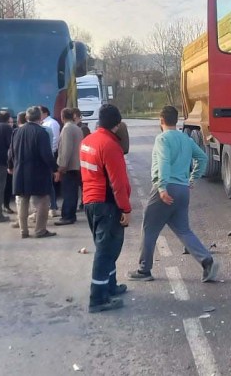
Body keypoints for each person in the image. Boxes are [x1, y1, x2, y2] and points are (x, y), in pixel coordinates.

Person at [129, 106, 219, 283]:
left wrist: (162, 187)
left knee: (149, 228)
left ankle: (144, 270)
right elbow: (202, 158)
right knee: (183, 230)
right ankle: (206, 260)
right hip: (183, 189)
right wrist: (193, 178)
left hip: (167, 188)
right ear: (176, 120)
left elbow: (163, 161)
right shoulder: (186, 139)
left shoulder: (162, 139)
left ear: (161, 120)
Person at [80, 104, 132, 313]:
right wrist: (126, 209)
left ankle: (110, 286)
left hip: (90, 201)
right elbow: (118, 182)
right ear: (117, 125)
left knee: (105, 249)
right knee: (106, 251)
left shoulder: (87, 141)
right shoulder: (110, 145)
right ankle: (98, 299)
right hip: (106, 204)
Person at [9, 106, 57, 239]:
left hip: (20, 171)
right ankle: (40, 230)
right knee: (43, 201)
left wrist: (10, 166)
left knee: (22, 201)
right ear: (40, 117)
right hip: (38, 172)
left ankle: (23, 230)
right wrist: (55, 168)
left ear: (26, 117)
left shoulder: (16, 132)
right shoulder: (41, 132)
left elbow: (11, 152)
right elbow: (46, 155)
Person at [55, 108, 83, 225]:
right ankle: (71, 214)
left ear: (62, 117)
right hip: (77, 164)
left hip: (69, 166)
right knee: (73, 192)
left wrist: (62, 165)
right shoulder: (77, 128)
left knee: (68, 192)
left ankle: (67, 216)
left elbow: (66, 149)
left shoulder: (67, 129)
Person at [40, 106, 61, 217]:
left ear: (45, 113)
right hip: (45, 155)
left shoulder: (52, 123)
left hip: (50, 154)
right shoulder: (43, 124)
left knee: (49, 182)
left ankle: (53, 206)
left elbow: (55, 140)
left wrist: (51, 153)